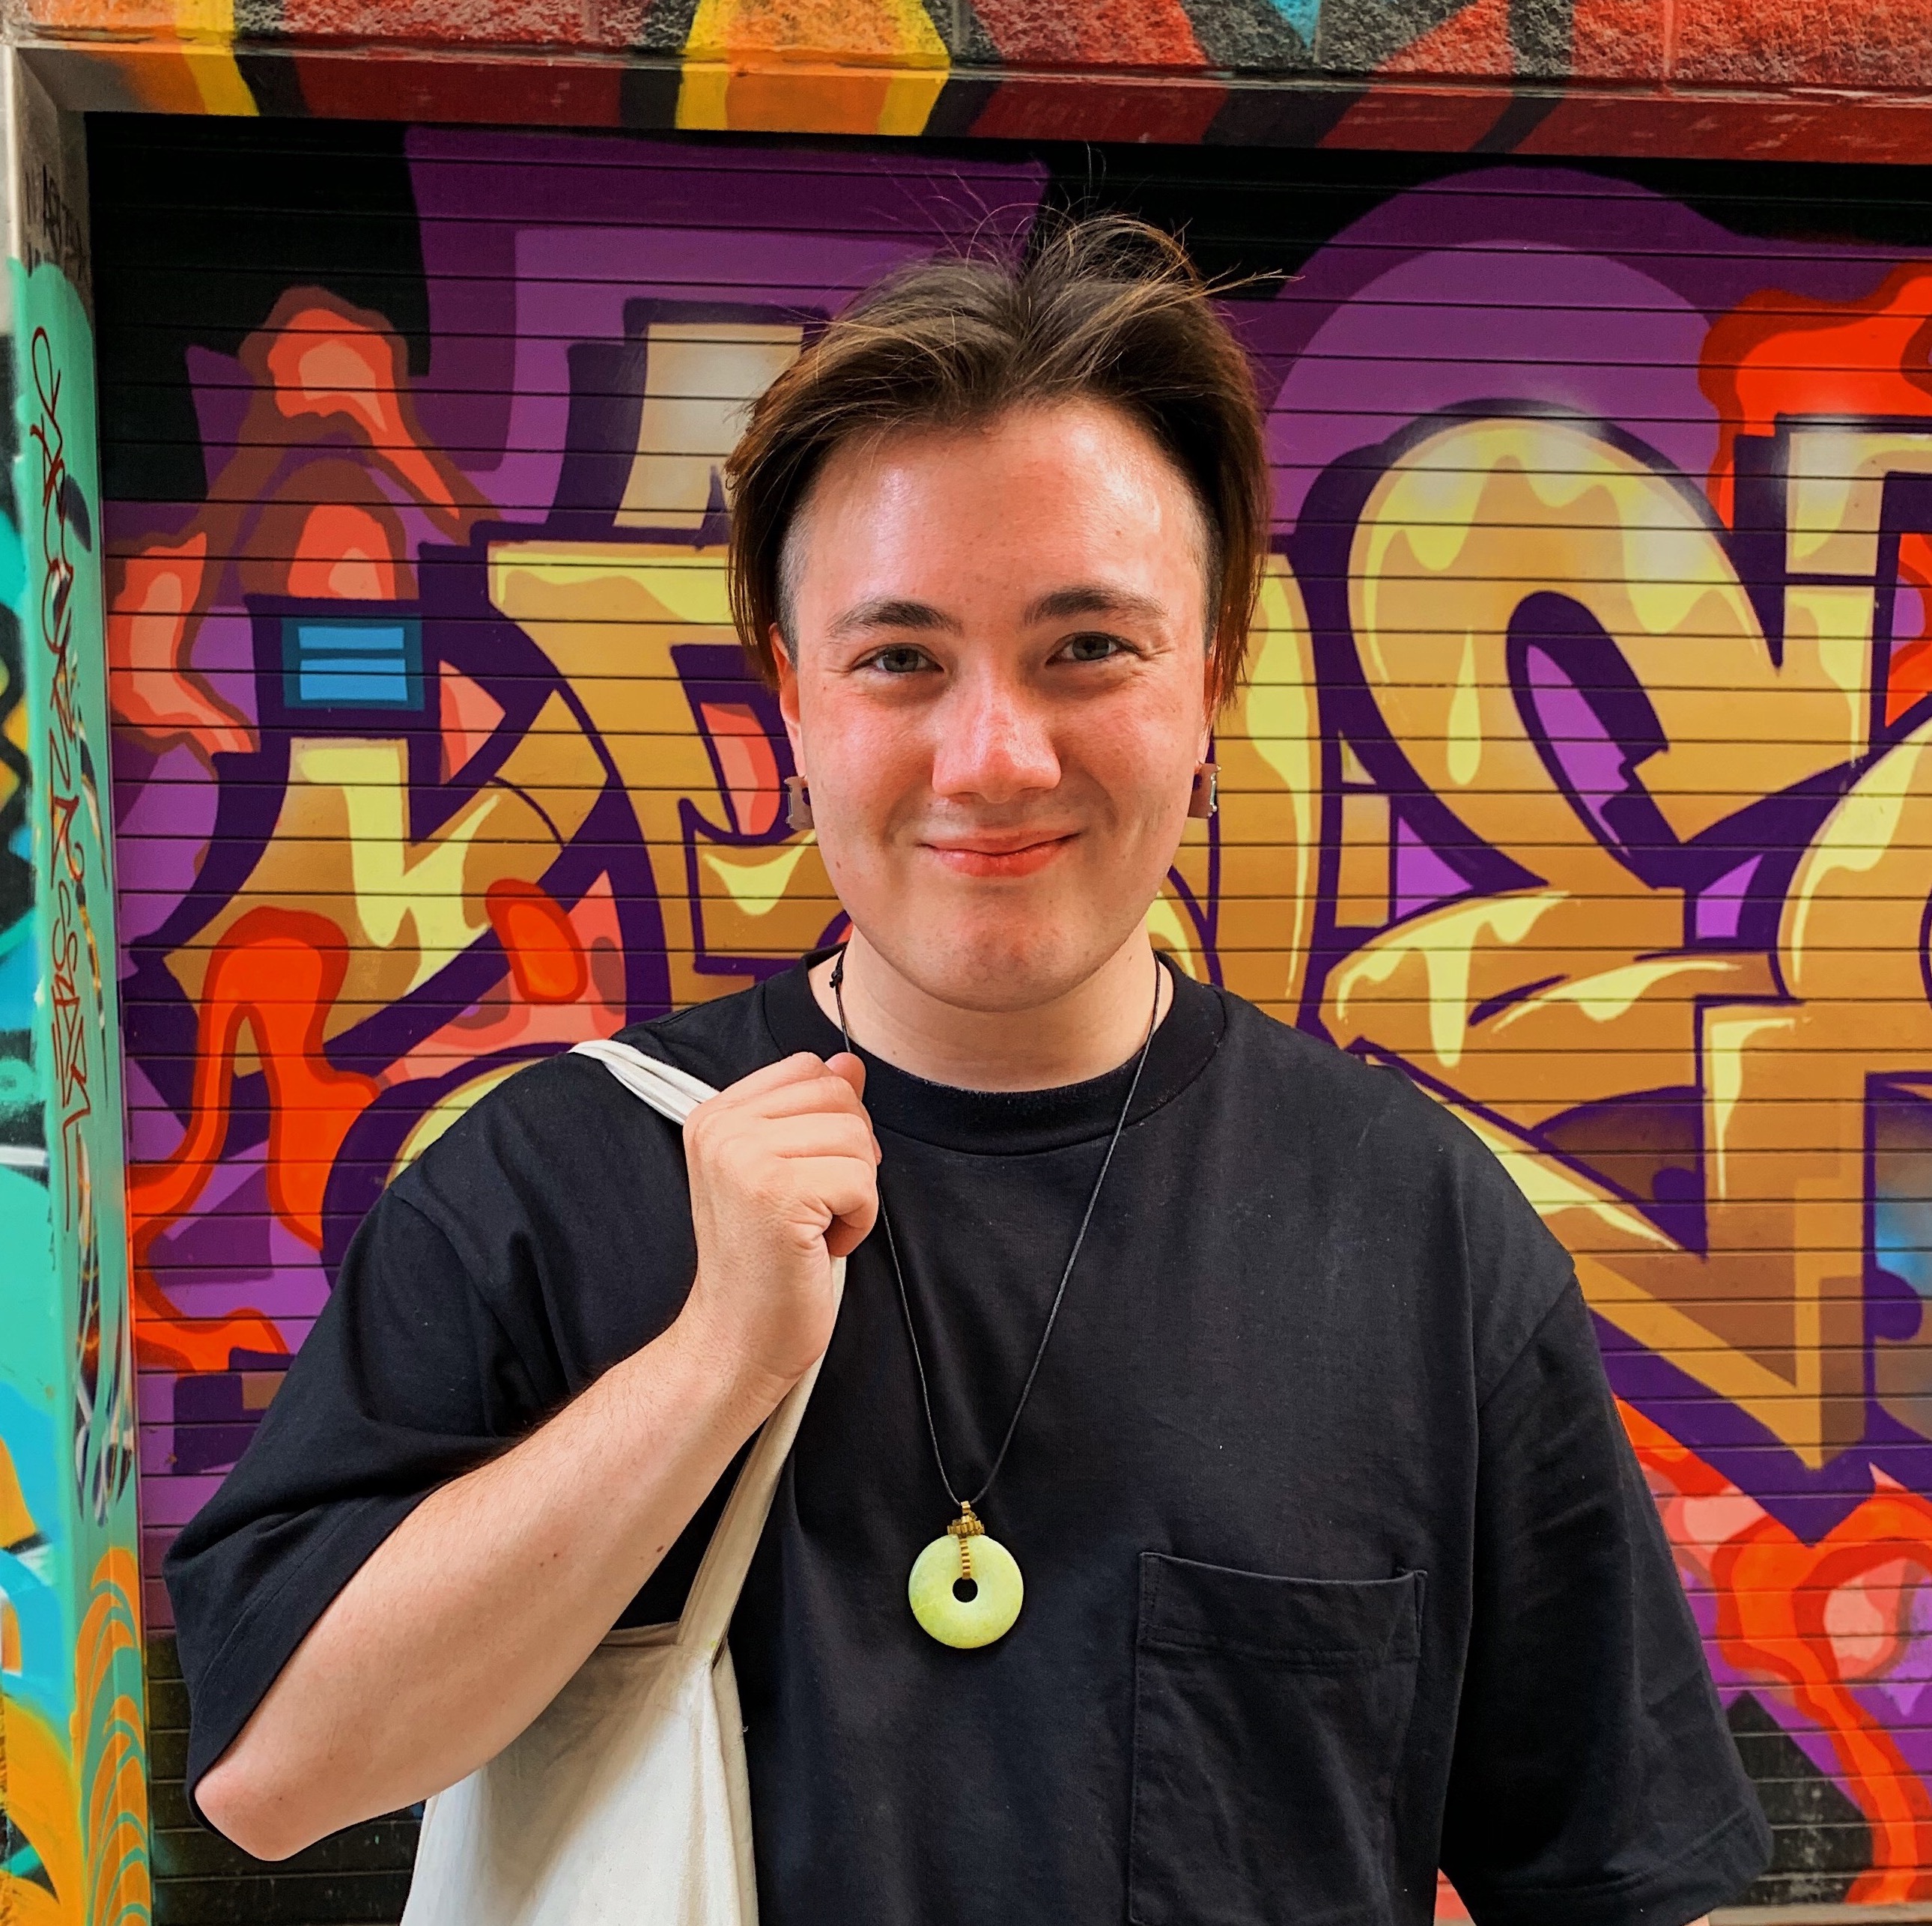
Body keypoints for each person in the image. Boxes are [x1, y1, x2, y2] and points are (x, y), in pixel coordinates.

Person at [168, 217, 1770, 1925]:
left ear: (1212, 675)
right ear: (792, 696)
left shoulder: (1413, 1226)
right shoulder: (549, 1185)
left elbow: (1609, 1875)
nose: (993, 755)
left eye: (1088, 648)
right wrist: (710, 1365)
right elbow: (280, 1776)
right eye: (900, 658)